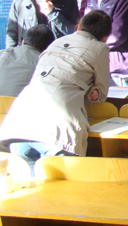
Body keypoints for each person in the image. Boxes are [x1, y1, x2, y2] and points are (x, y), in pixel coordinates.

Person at [0, 10, 112, 171]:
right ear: (105, 37)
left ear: (79, 27)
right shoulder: (100, 48)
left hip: (21, 121)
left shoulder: (56, 43)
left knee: (29, 184)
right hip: (57, 127)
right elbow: (100, 95)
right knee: (62, 183)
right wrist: (88, 91)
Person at [0, 25, 55, 97]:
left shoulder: (2, 53)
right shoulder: (48, 66)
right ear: (49, 47)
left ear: (23, 42)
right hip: (21, 103)